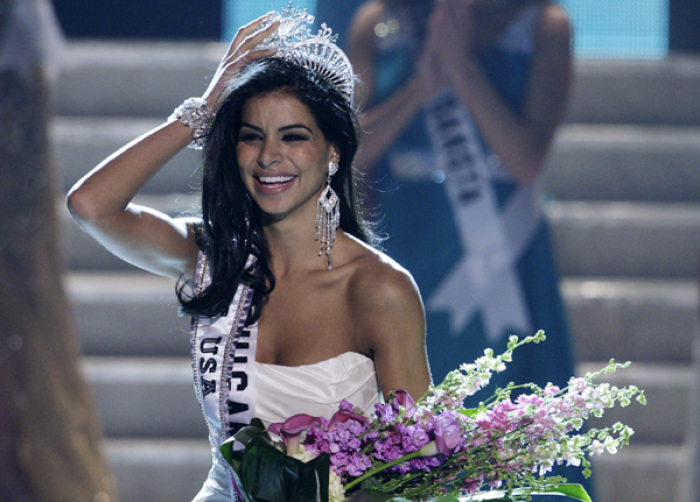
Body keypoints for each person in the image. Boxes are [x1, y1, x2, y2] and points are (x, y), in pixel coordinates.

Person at [66, 10, 431, 501]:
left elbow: (418, 467)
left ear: (333, 152)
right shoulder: (211, 255)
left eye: (293, 136)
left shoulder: (378, 288)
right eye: (251, 135)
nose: (268, 157)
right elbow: (90, 206)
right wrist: (202, 108)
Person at [347, 0, 575, 389]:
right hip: (406, 231)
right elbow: (346, 152)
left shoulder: (545, 25)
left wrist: (461, 68)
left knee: (504, 395)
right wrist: (421, 86)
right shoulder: (377, 22)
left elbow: (524, 162)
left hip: (503, 241)